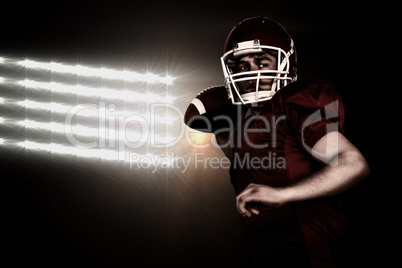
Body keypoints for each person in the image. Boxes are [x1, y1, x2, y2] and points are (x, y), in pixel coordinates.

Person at [187, 17, 370, 267]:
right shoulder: (242, 124)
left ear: (285, 62)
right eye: (242, 66)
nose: (252, 72)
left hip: (317, 256)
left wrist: (283, 194)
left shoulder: (293, 102)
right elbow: (259, 166)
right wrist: (224, 130)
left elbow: (353, 164)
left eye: (262, 61)